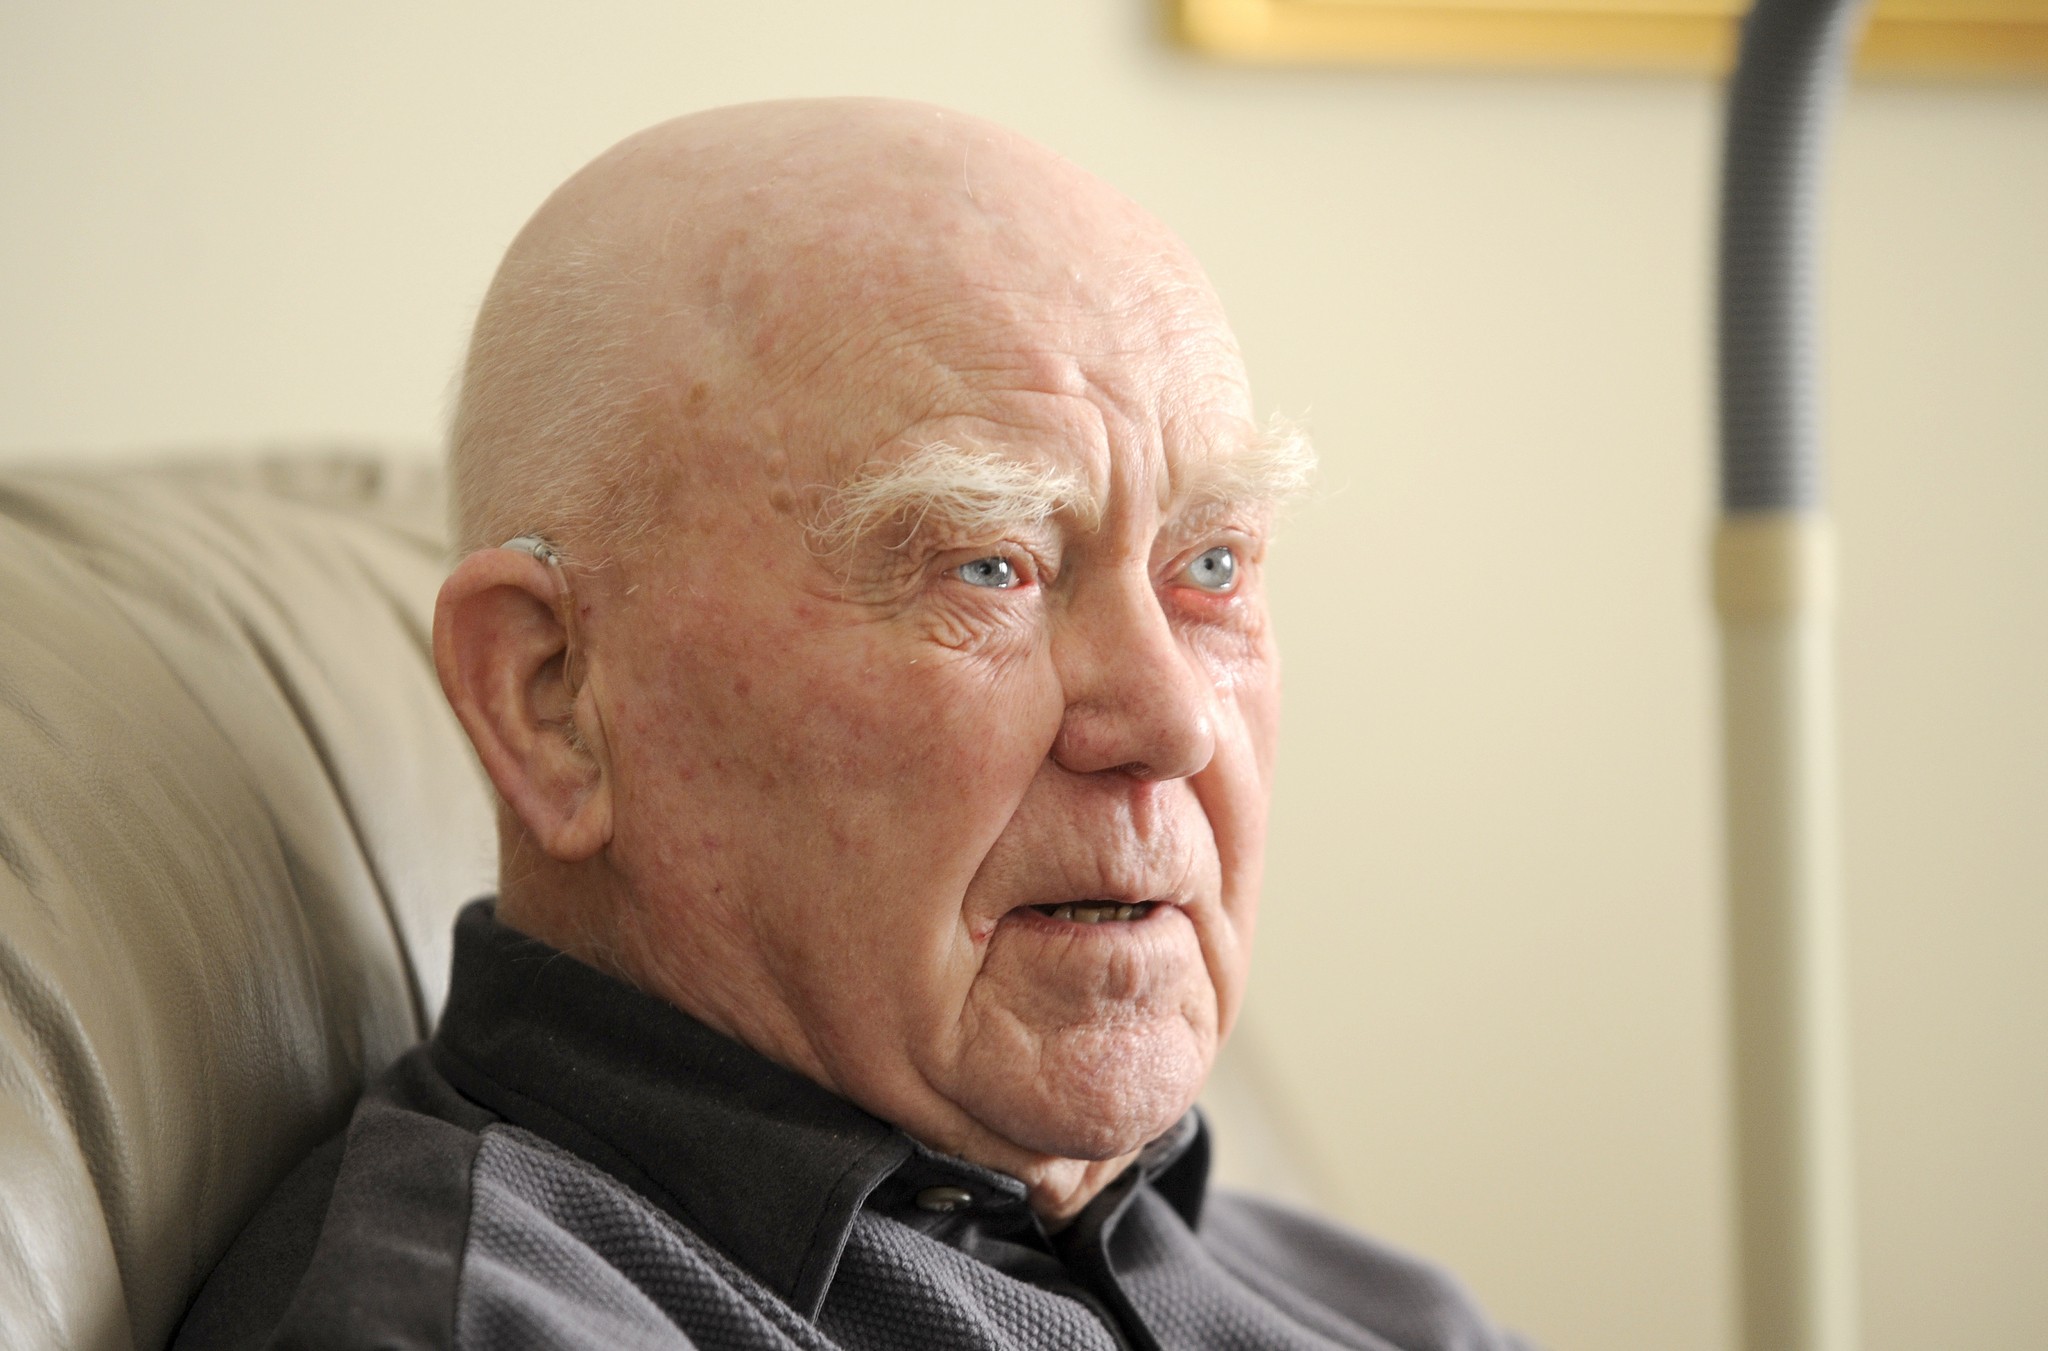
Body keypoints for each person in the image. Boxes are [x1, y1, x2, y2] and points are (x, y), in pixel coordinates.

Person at [175, 98, 1534, 1350]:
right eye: (988, 564)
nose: (1173, 721)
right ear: (551, 698)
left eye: (1215, 568)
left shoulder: (1388, 1307)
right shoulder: (486, 1320)